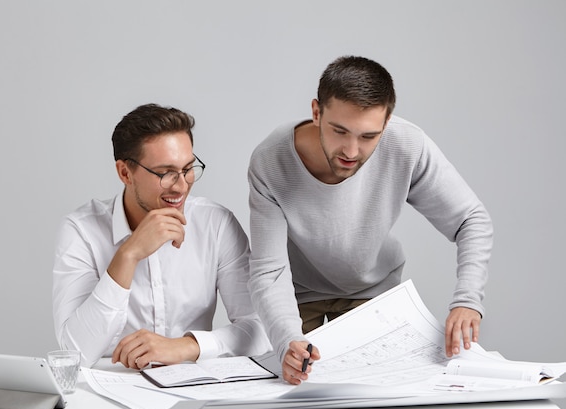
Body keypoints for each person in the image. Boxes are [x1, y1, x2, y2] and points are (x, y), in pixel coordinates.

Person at [247, 56, 493, 385]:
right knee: (285, 384)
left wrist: (467, 300)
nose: (351, 150)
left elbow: (470, 219)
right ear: (316, 112)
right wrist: (287, 340)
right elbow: (268, 270)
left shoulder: (407, 144)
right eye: (339, 131)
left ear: (387, 122)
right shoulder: (270, 160)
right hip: (295, 295)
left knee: (382, 393)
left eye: (368, 137)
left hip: (373, 291)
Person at [53, 103, 271, 368]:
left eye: (188, 168)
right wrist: (128, 254)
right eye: (166, 173)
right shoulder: (81, 230)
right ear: (125, 172)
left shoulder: (215, 224)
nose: (181, 185)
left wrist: (186, 346)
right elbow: (74, 353)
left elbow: (261, 332)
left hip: (192, 391)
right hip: (112, 392)